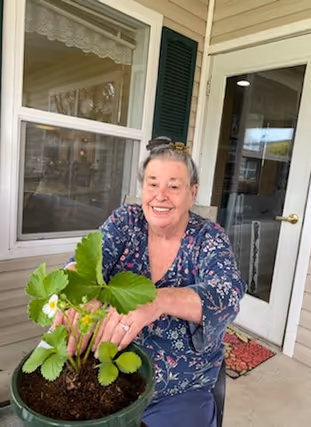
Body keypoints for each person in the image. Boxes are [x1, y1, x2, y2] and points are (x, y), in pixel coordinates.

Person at [56, 138, 246, 427]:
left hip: (178, 392)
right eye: (152, 183)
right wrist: (81, 290)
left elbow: (228, 294)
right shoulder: (126, 222)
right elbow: (87, 258)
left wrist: (155, 300)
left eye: (173, 186)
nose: (160, 195)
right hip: (106, 371)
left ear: (192, 193)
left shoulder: (208, 237)